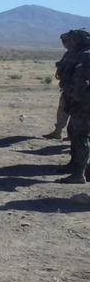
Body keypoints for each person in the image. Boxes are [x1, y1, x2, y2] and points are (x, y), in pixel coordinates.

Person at [57, 28, 90, 184]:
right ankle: (74, 165)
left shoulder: (86, 56)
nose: (70, 43)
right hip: (80, 102)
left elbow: (81, 81)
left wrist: (75, 99)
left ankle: (79, 173)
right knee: (74, 132)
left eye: (73, 40)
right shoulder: (81, 54)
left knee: (81, 136)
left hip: (84, 103)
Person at [44, 31, 75, 139]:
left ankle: (72, 135)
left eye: (66, 41)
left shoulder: (82, 54)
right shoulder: (69, 53)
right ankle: (58, 131)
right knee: (63, 109)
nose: (64, 43)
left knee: (77, 112)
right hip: (68, 88)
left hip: (79, 89)